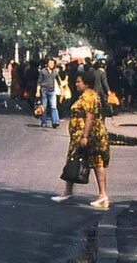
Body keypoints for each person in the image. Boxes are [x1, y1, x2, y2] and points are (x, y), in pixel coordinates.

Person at [52, 70, 111, 207]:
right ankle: (68, 191)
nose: (76, 84)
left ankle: (102, 195)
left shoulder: (89, 97)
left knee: (97, 162)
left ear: (86, 84)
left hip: (90, 135)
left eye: (79, 82)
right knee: (73, 159)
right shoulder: (86, 95)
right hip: (83, 134)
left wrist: (85, 136)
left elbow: (90, 117)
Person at [36, 58, 61, 129]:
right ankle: (43, 122)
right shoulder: (43, 71)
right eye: (50, 63)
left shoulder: (55, 72)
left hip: (52, 91)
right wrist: (37, 91)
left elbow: (58, 81)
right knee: (44, 107)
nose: (52, 65)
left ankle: (55, 122)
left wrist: (61, 89)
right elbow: (39, 82)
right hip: (44, 90)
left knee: (54, 107)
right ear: (47, 64)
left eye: (53, 63)